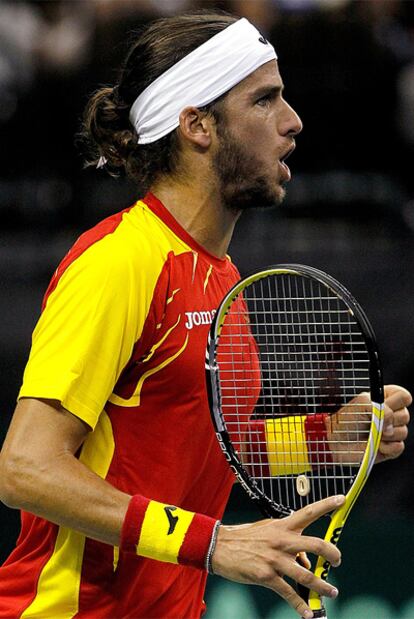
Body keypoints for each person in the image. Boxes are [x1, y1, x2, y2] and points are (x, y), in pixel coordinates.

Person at [0, 10, 410, 619]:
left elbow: (220, 445)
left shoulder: (222, 278)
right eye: (265, 100)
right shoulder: (119, 263)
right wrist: (215, 543)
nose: (293, 121)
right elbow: (26, 468)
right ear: (198, 125)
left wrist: (329, 441)